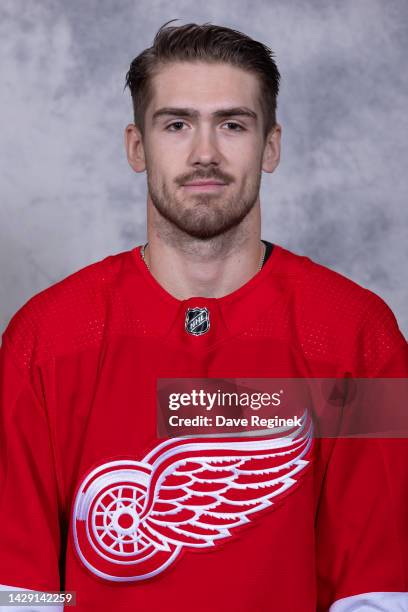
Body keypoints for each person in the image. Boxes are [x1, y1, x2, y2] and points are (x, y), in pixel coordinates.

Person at [1, 19, 407, 612]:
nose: (205, 153)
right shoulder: (44, 339)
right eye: (177, 123)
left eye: (233, 124)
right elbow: (19, 591)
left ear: (270, 146)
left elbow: (379, 587)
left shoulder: (359, 338)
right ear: (137, 147)